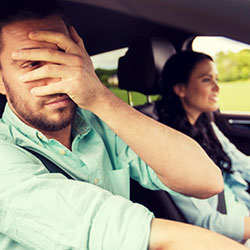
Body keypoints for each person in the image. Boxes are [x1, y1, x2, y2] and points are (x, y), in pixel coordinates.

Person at [0, 1, 247, 249]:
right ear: (1, 82)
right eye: (32, 64)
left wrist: (99, 95)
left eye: (63, 56)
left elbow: (207, 181)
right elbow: (140, 234)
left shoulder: (100, 123)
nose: (57, 78)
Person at [155, 50, 250, 244]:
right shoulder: (171, 148)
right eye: (207, 80)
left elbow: (240, 162)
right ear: (181, 89)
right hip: (233, 236)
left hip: (243, 207)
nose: (217, 87)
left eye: (216, 79)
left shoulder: (206, 125)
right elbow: (207, 222)